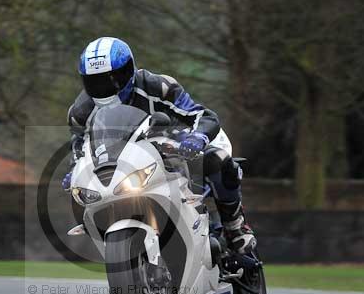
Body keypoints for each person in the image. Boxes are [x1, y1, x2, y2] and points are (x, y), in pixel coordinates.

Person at [63, 36, 256, 255]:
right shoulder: (80, 112)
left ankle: (235, 227)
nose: (106, 87)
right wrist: (74, 169)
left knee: (216, 159)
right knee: (83, 191)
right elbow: (79, 146)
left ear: (129, 70)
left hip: (177, 143)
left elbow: (203, 115)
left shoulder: (159, 86)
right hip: (126, 161)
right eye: (95, 82)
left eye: (113, 79)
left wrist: (197, 138)